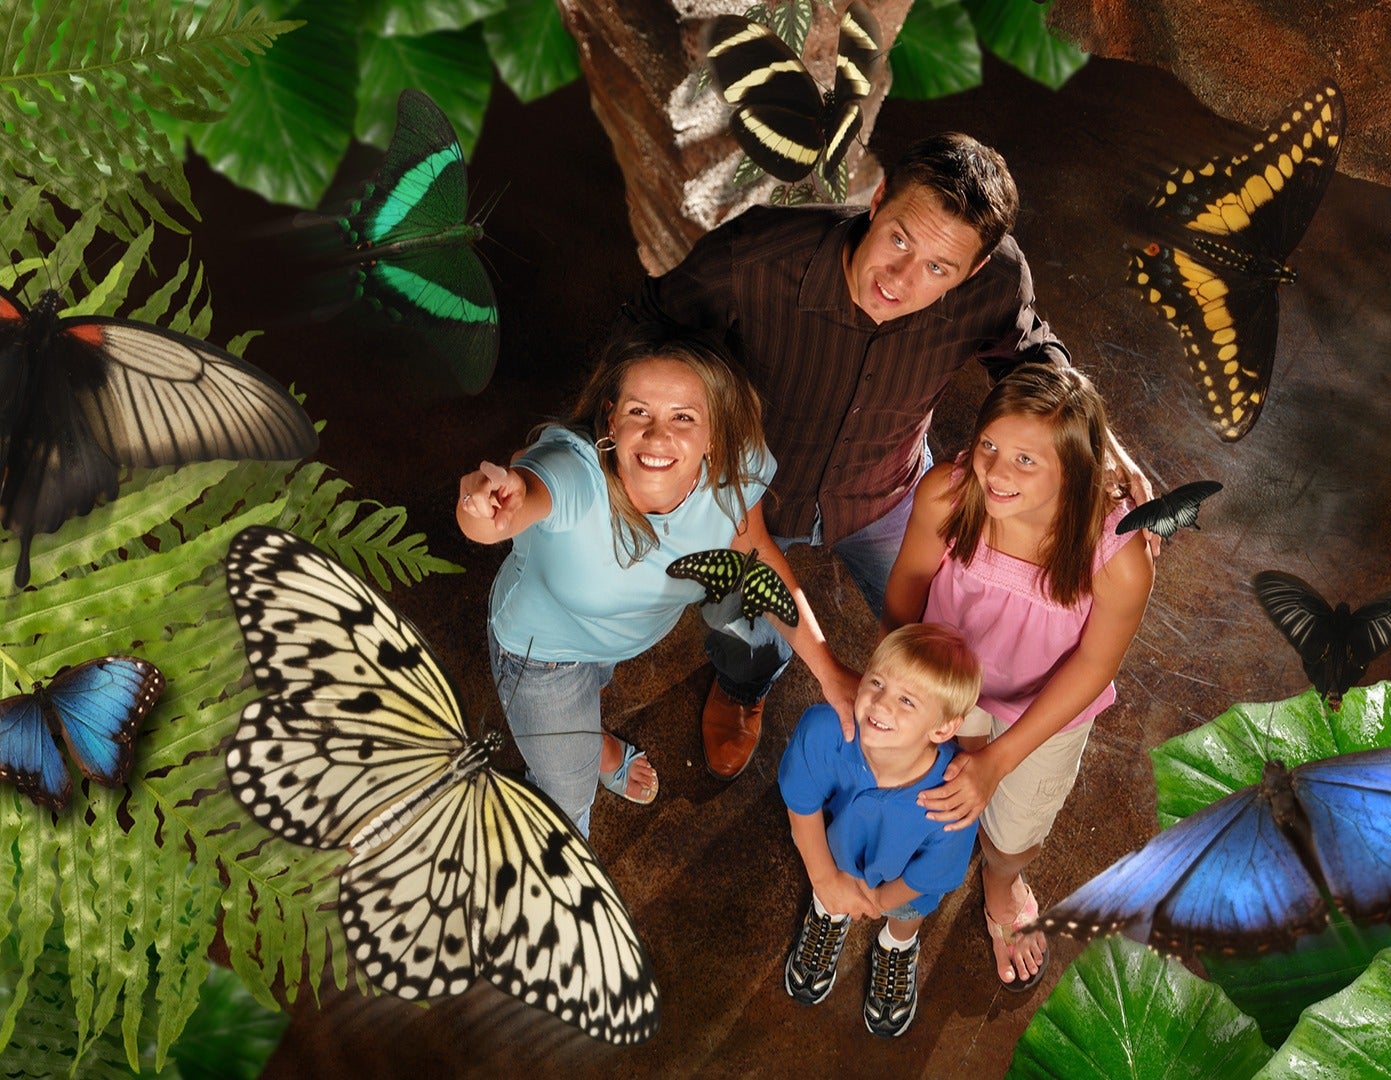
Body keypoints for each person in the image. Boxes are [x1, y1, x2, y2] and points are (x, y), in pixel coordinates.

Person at [622, 131, 1150, 779]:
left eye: (939, 268)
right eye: (900, 238)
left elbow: (1035, 353)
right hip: (752, 495)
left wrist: (1100, 441)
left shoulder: (998, 280)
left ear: (975, 271)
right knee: (741, 634)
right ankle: (742, 689)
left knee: (940, 635)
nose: (901, 280)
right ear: (876, 202)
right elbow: (650, 326)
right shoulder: (754, 254)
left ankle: (930, 719)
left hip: (890, 491)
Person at [456, 325, 856, 836]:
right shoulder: (574, 474)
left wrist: (829, 671)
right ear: (611, 419)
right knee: (565, 800)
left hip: (618, 636)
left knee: (589, 697)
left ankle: (591, 741)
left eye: (684, 417)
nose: (658, 435)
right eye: (638, 411)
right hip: (542, 655)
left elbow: (754, 552)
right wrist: (483, 507)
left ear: (716, 434)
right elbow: (512, 505)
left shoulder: (735, 465)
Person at [882, 363, 1154, 991]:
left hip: (1046, 708)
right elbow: (910, 586)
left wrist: (999, 758)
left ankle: (1001, 884)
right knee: (917, 797)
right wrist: (900, 677)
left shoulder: (1120, 556)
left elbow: (1093, 665)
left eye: (1027, 461)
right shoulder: (947, 495)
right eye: (989, 447)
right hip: (944, 681)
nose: (997, 473)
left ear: (1077, 469)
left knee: (1016, 831)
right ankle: (913, 885)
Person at [778, 622, 983, 1039]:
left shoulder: (951, 796)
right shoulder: (823, 730)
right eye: (875, 681)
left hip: (901, 885)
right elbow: (802, 810)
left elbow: (929, 876)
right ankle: (829, 911)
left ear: (943, 730)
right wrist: (829, 883)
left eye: (907, 700)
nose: (880, 704)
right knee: (830, 894)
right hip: (837, 858)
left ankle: (897, 946)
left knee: (906, 915)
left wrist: (879, 902)